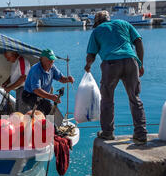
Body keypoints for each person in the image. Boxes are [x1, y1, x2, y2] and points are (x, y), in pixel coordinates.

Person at [84, 11, 148, 144]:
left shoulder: (97, 31)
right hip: (131, 61)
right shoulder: (123, 23)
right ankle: (141, 134)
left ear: (97, 22)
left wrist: (88, 66)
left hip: (111, 64)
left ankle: (108, 133)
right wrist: (140, 63)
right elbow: (139, 42)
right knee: (135, 98)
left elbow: (91, 55)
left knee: (107, 100)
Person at [23, 49, 74, 115]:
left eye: (53, 60)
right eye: (49, 60)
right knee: (47, 106)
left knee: (48, 107)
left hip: (41, 95)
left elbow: (61, 79)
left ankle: (48, 124)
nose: (52, 62)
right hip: (29, 95)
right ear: (42, 59)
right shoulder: (36, 70)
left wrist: (68, 79)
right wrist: (51, 97)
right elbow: (36, 89)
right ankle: (45, 123)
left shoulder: (52, 68)